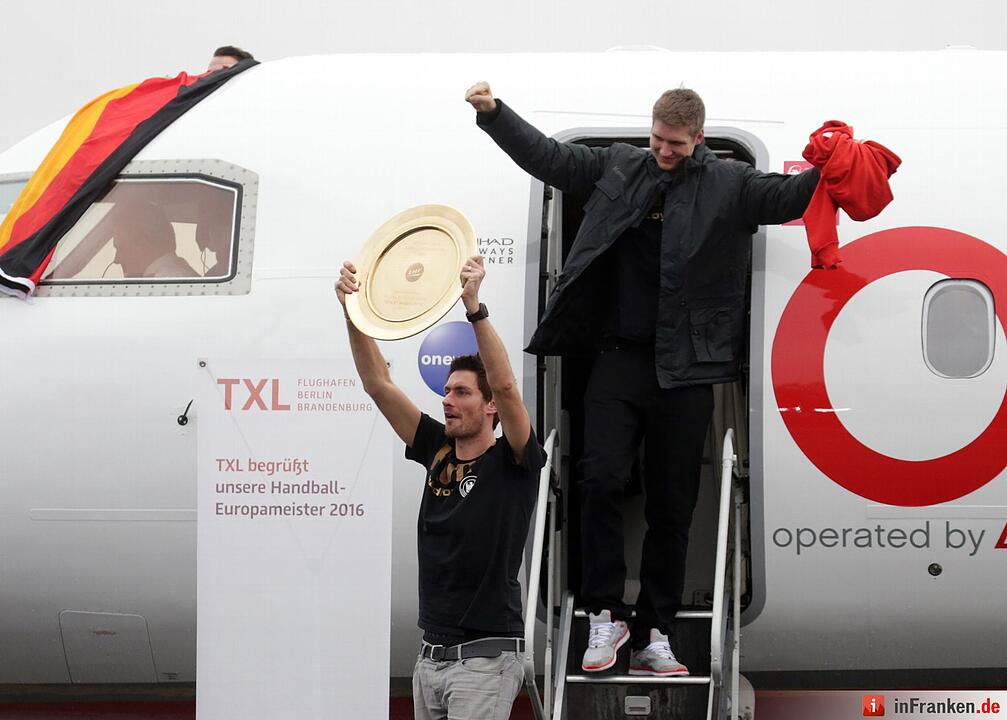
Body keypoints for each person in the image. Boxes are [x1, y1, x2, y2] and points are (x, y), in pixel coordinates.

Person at [465, 81, 819, 676]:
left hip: (687, 369)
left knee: (673, 504)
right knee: (598, 480)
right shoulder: (620, 167)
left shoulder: (728, 185)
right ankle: (604, 616)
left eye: (676, 143)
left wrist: (831, 167)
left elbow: (785, 200)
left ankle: (658, 631)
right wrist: (495, 116)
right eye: (657, 138)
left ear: (698, 138)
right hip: (619, 359)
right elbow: (550, 158)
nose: (664, 150)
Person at [336, 254, 545, 720]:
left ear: (490, 407)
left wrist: (475, 308)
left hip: (485, 662)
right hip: (430, 660)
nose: (447, 400)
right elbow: (377, 383)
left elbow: (508, 386)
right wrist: (352, 310)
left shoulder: (515, 460)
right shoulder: (436, 448)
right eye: (446, 391)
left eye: (462, 392)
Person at [111, 202, 196, 279]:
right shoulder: (175, 272)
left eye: (120, 248)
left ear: (143, 244)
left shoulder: (164, 279)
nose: (117, 259)